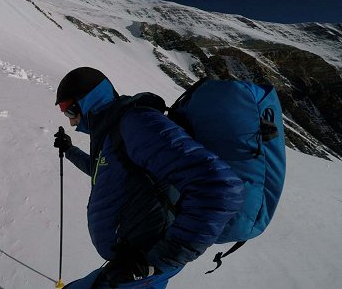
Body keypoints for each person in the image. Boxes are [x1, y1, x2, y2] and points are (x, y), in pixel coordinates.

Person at [53, 67, 245, 288]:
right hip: (132, 264)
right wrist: (69, 150)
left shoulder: (137, 123)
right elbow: (107, 175)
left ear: (85, 101)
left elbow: (220, 188)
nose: (70, 122)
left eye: (68, 110)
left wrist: (159, 260)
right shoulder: (111, 132)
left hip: (143, 266)